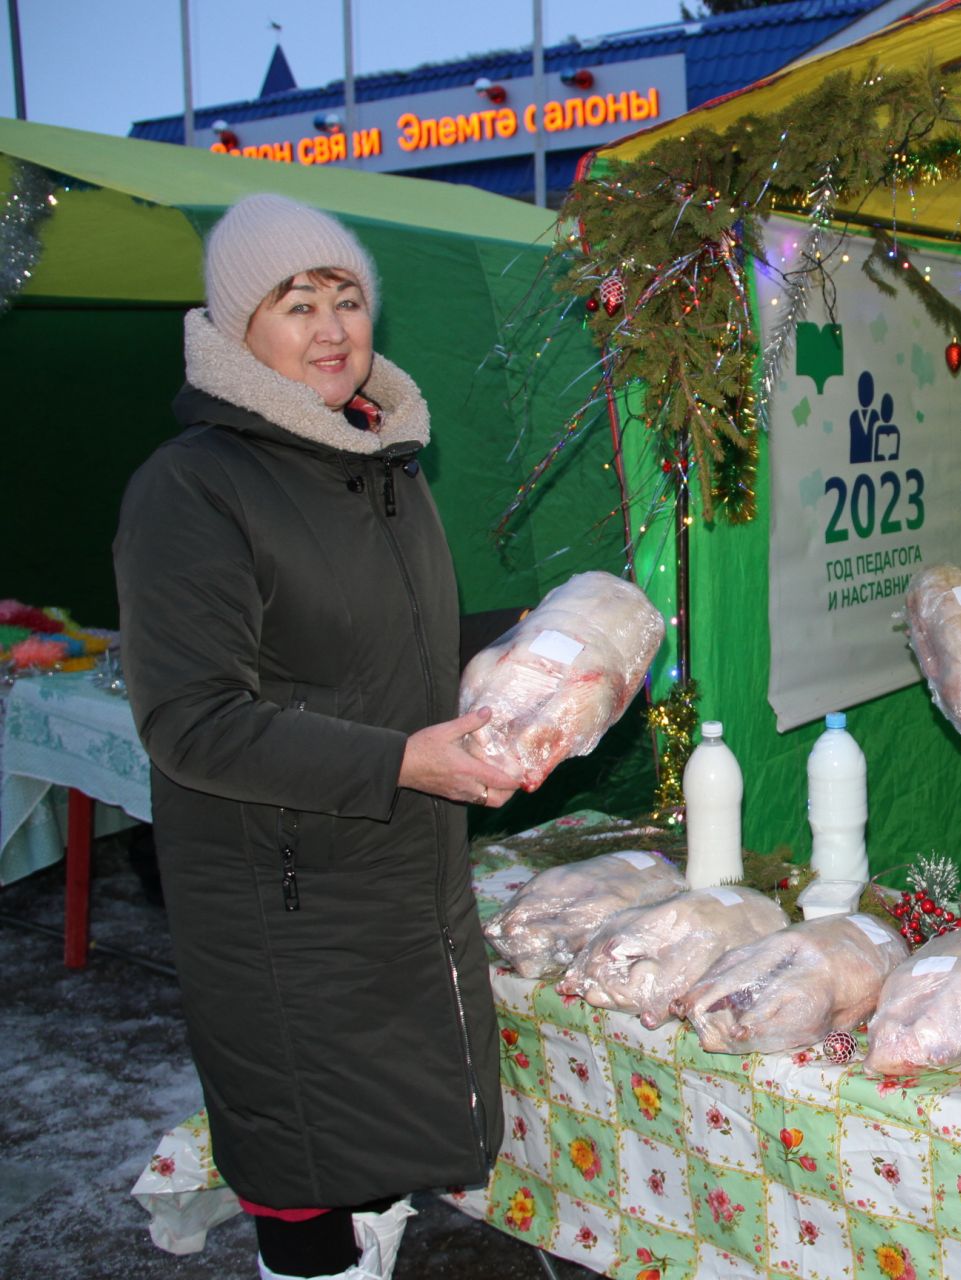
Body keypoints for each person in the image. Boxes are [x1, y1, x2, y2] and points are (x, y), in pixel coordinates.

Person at [114, 195, 514, 1280]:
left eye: (348, 300)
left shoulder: (381, 468)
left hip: (394, 883)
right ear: (240, 326)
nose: (334, 327)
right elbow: (191, 719)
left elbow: (400, 653)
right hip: (283, 903)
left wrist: (541, 643)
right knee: (305, 1183)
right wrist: (402, 760)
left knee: (377, 1163)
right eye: (300, 304)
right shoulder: (193, 488)